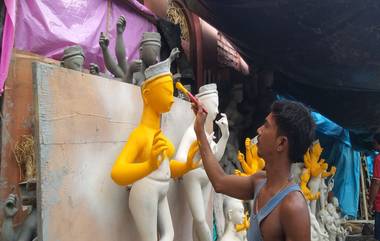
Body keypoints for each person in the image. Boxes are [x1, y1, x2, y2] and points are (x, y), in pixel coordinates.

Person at [192, 99, 315, 241]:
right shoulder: (259, 181)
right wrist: (200, 130)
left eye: (266, 126)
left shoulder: (293, 207)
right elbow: (219, 181)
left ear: (281, 143)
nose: (259, 130)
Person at [368, 133, 380, 240]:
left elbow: (376, 183)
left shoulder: (378, 159)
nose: (373, 144)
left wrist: (370, 202)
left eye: (374, 142)